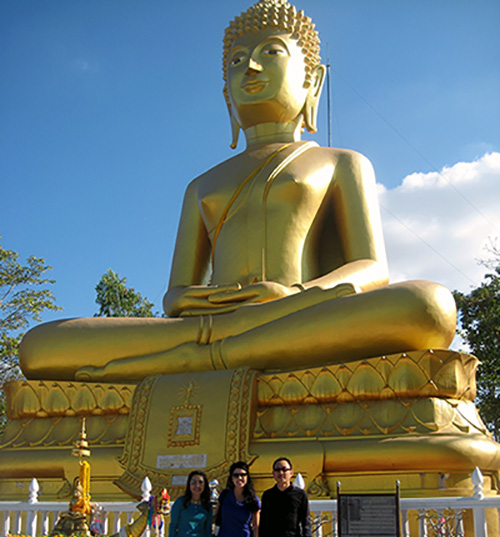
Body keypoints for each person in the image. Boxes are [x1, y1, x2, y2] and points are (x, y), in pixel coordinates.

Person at [19, 0, 456, 384]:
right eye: (237, 60)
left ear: (313, 81)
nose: (249, 67)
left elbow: (371, 268)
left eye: (271, 52)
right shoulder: (201, 185)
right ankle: (223, 348)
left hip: (299, 312)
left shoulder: (341, 163)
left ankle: (203, 359)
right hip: (212, 323)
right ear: (225, 95)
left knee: (426, 305)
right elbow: (174, 295)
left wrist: (293, 296)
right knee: (39, 345)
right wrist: (197, 300)